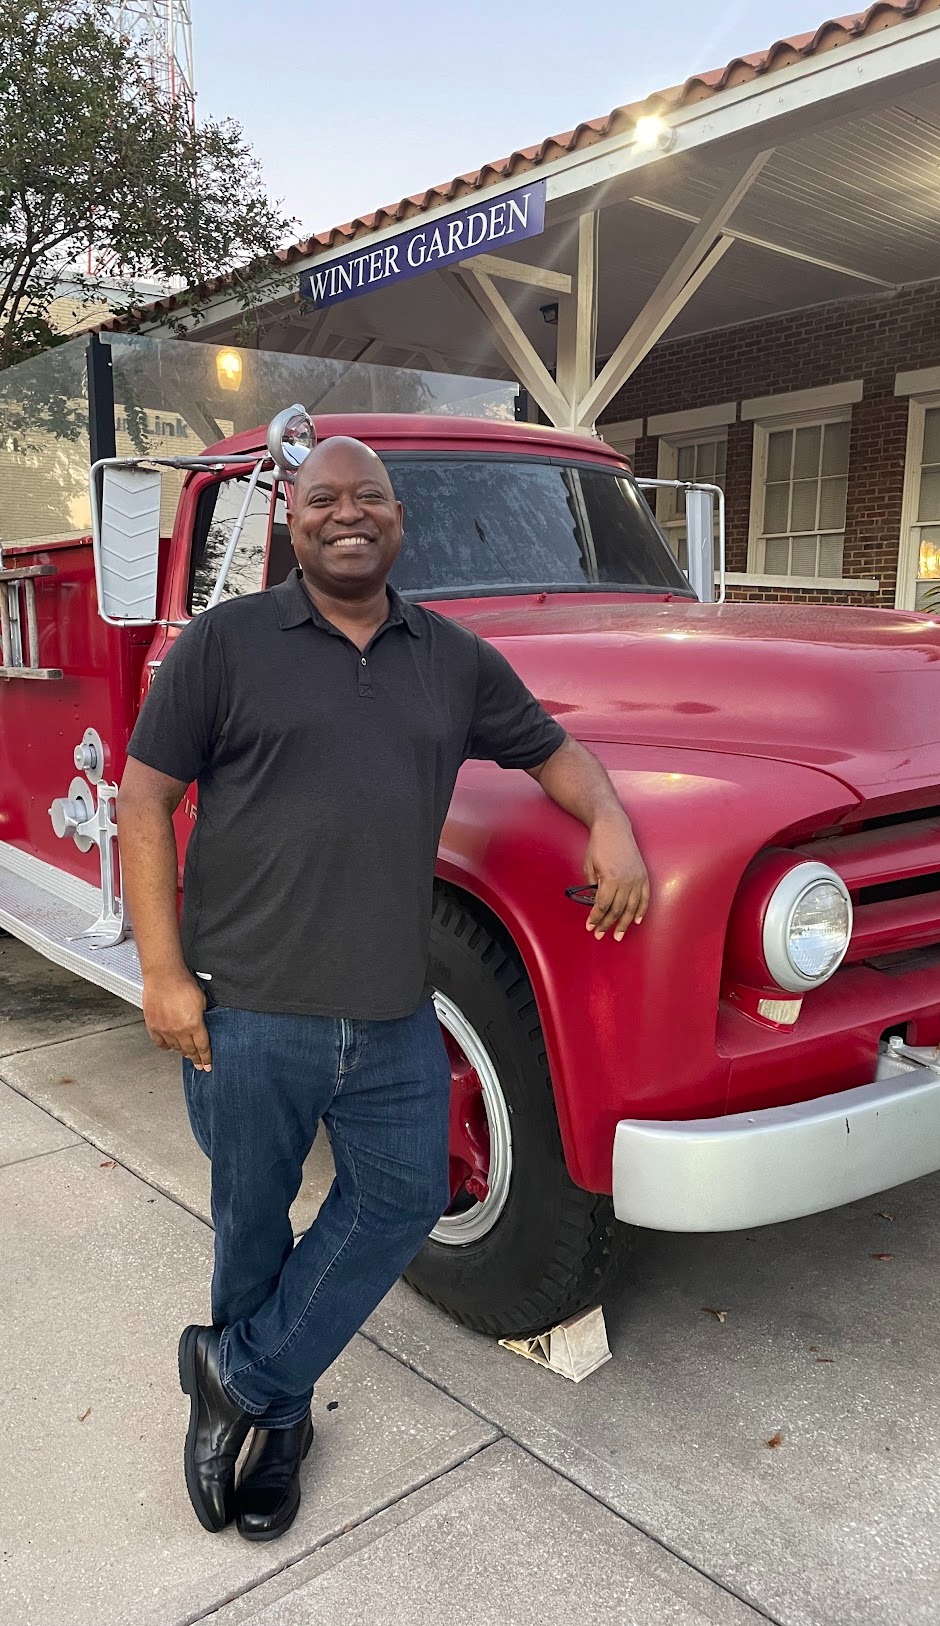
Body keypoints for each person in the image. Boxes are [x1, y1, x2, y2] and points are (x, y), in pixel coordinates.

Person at [118, 436, 649, 1542]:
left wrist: (606, 819)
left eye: (368, 498)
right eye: (323, 499)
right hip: (247, 1011)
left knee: (401, 1203)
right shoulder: (224, 644)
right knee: (251, 1224)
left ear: (397, 520)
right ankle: (279, 1424)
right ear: (292, 520)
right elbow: (141, 801)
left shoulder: (450, 658)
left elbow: (555, 755)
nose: (345, 514)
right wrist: (162, 974)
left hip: (395, 1014)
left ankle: (240, 1376)